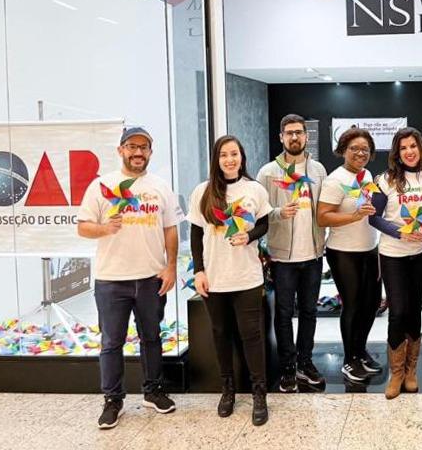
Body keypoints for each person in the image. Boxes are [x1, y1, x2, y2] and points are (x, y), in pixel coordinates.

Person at [77, 127, 180, 429]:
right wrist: (104, 228)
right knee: (111, 342)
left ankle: (153, 390)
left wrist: (171, 266)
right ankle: (113, 400)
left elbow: (170, 228)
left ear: (151, 151)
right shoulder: (101, 186)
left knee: (152, 337)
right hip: (111, 280)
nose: (138, 152)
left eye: (144, 147)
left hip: (150, 277)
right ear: (120, 150)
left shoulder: (160, 186)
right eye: (132, 146)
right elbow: (83, 227)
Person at [188, 135, 274, 426]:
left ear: (242, 157)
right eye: (224, 155)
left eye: (234, 154)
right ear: (217, 159)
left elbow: (264, 223)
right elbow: (196, 235)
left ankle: (260, 393)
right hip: (215, 278)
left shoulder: (254, 189)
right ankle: (227, 390)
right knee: (221, 334)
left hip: (247, 276)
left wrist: (249, 235)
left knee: (252, 336)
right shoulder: (203, 191)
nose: (229, 159)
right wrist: (199, 271)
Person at [256, 114, 328, 393]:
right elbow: (259, 215)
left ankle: (305, 362)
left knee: (310, 311)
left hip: (312, 253)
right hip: (282, 257)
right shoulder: (268, 172)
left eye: (299, 132)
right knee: (284, 313)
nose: (295, 137)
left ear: (306, 136)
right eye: (289, 133)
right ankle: (288, 367)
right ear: (281, 137)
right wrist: (277, 213)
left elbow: (324, 207)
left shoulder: (318, 169)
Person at [369, 127, 422, 399]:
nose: (409, 152)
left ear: (420, 148)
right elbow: (374, 217)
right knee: (397, 310)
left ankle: (411, 370)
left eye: (413, 146)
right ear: (397, 153)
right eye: (403, 147)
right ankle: (396, 373)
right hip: (393, 253)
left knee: (415, 309)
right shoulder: (384, 180)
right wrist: (400, 232)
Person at [317, 127, 381, 383]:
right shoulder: (335, 179)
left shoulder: (367, 176)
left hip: (369, 249)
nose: (360, 153)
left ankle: (361, 350)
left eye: (365, 149)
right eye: (354, 148)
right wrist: (354, 216)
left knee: (371, 304)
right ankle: (349, 360)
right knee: (353, 306)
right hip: (344, 253)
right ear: (343, 150)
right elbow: (322, 217)